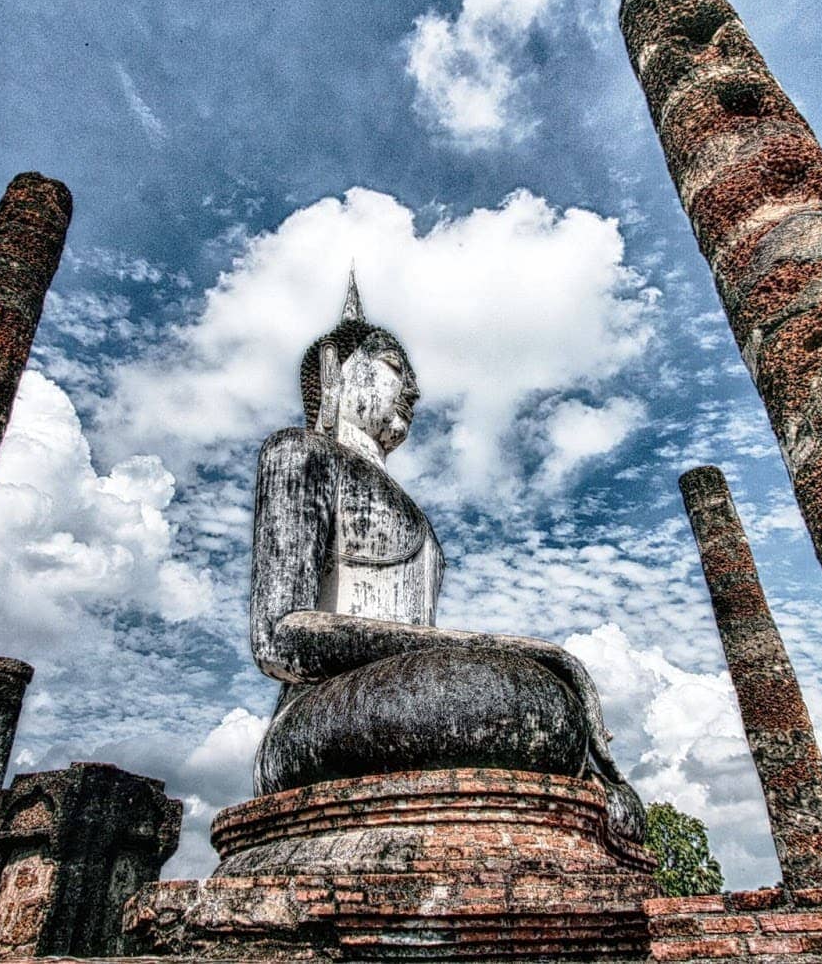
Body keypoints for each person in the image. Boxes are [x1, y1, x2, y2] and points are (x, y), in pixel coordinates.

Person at [247, 274, 644, 843]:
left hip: (408, 688)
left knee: (528, 704)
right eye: (392, 367)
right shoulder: (299, 453)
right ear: (336, 370)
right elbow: (278, 638)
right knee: (489, 694)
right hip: (324, 710)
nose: (412, 390)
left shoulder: (411, 510)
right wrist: (499, 648)